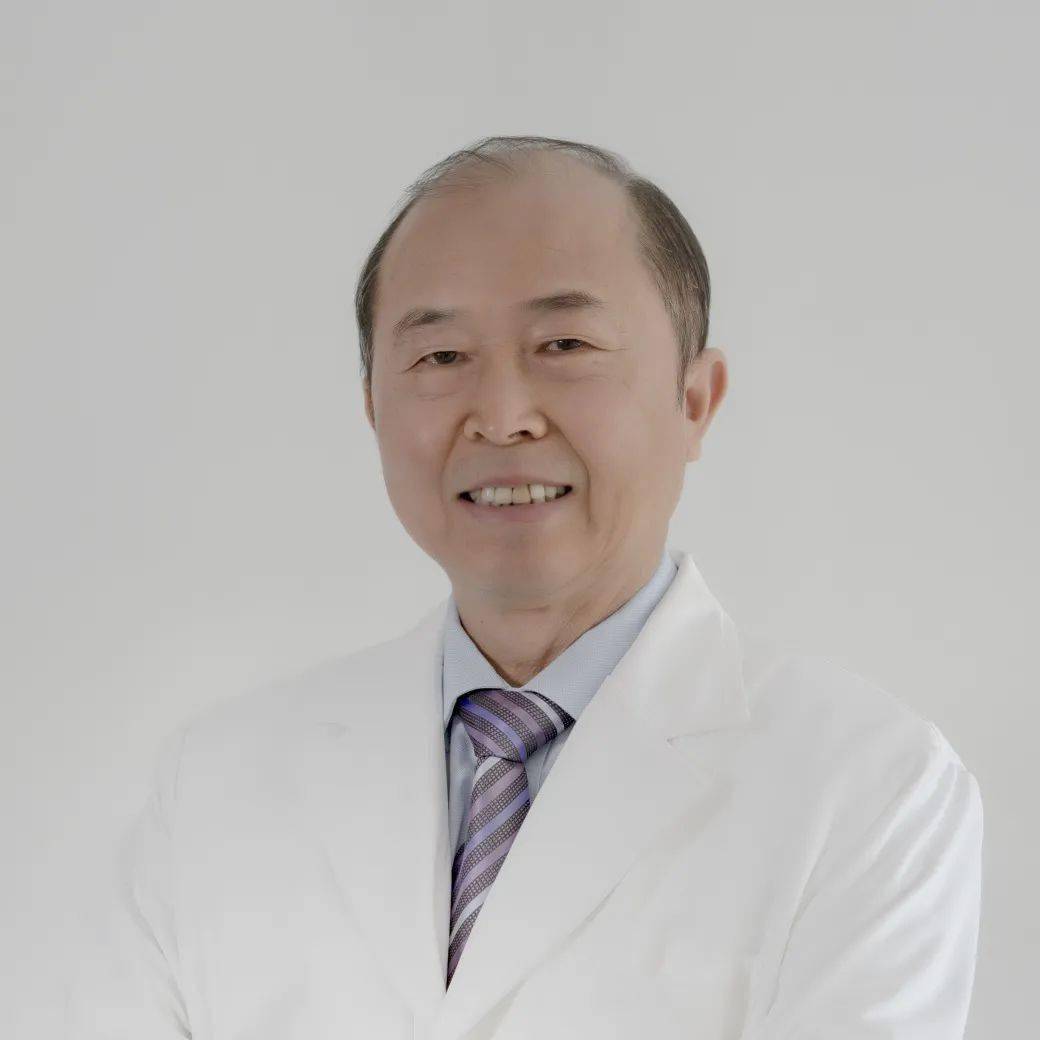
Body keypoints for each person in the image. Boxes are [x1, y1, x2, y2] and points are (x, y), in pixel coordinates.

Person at [65, 135, 983, 1039]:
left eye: (565, 343)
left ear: (695, 400)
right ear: (373, 406)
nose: (502, 418)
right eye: (440, 357)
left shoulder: (865, 788)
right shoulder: (214, 787)